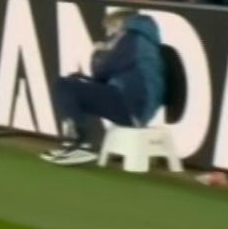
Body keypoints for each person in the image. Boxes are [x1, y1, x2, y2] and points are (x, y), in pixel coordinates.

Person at [42, 10, 165, 166]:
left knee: (64, 85)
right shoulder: (142, 41)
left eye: (109, 29)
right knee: (72, 86)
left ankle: (82, 144)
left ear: (119, 25)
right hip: (134, 104)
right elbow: (104, 77)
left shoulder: (132, 39)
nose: (108, 35)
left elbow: (101, 71)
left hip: (131, 106)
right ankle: (75, 142)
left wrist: (99, 52)